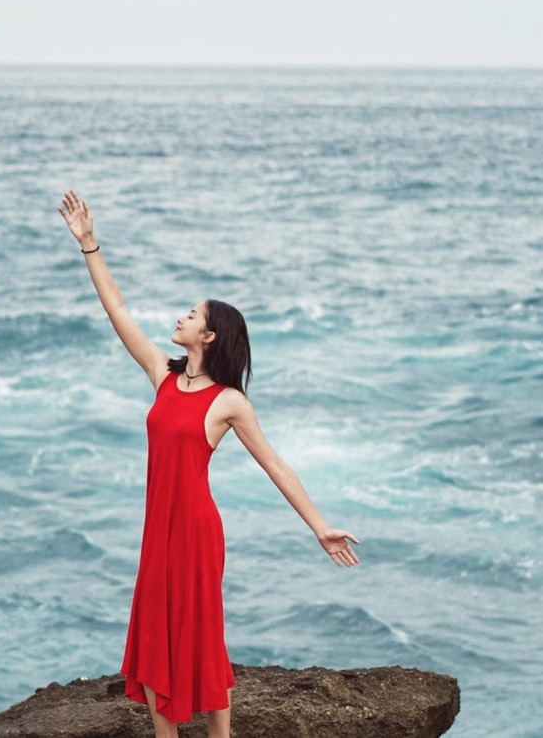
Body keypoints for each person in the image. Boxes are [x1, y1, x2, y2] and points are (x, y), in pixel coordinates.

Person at [58, 189, 360, 738]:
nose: (181, 315)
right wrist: (89, 245)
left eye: (191, 314)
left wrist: (320, 527)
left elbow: (275, 465)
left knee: (201, 637)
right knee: (152, 639)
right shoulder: (162, 373)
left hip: (196, 531)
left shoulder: (228, 401)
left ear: (209, 335)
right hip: (158, 530)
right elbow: (116, 309)